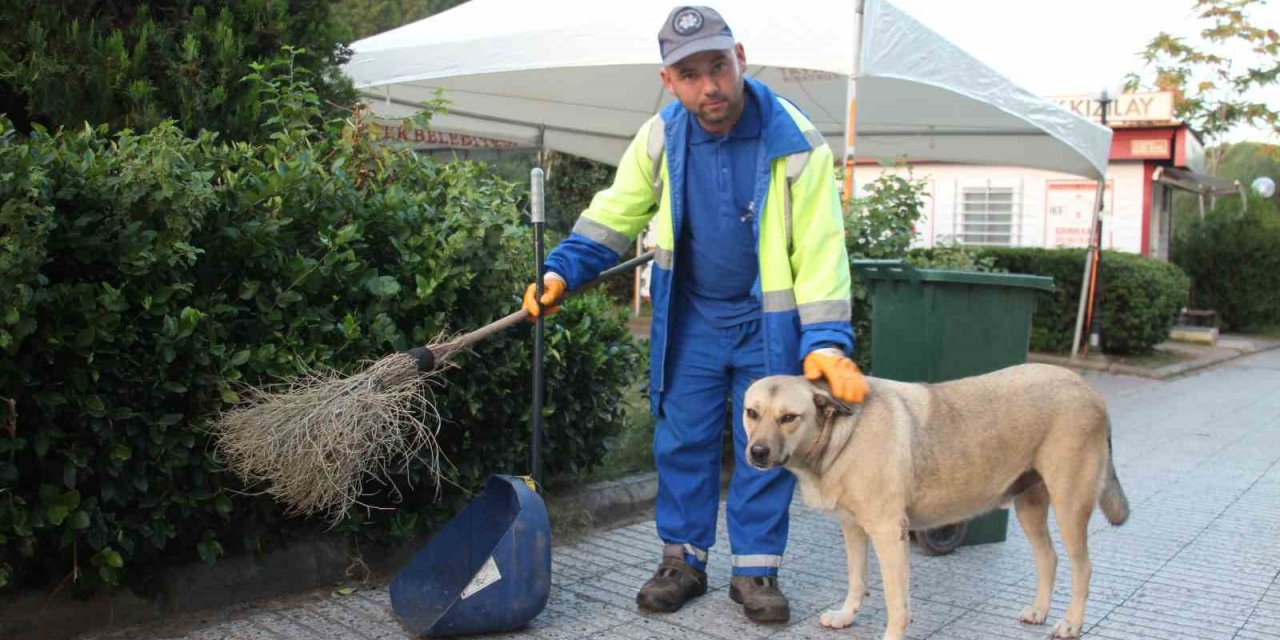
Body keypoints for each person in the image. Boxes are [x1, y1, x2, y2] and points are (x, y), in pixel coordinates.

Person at [521, 5, 868, 624]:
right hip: (693, 321)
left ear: (740, 59)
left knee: (765, 443)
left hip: (768, 323)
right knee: (682, 439)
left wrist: (826, 341)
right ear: (669, 82)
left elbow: (820, 249)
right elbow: (616, 213)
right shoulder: (660, 137)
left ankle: (756, 571)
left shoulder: (796, 140)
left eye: (718, 66)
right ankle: (683, 560)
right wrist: (562, 269)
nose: (709, 86)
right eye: (690, 74)